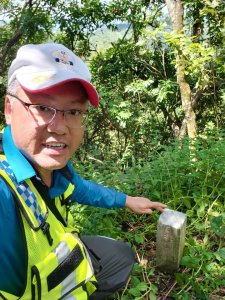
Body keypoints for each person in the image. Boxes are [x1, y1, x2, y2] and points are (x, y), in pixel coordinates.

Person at [0, 43, 166, 300]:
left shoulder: (50, 168)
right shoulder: (4, 193)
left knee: (120, 257)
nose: (60, 127)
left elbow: (78, 187)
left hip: (51, 270)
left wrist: (128, 200)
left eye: (74, 111)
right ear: (9, 109)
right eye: (44, 107)